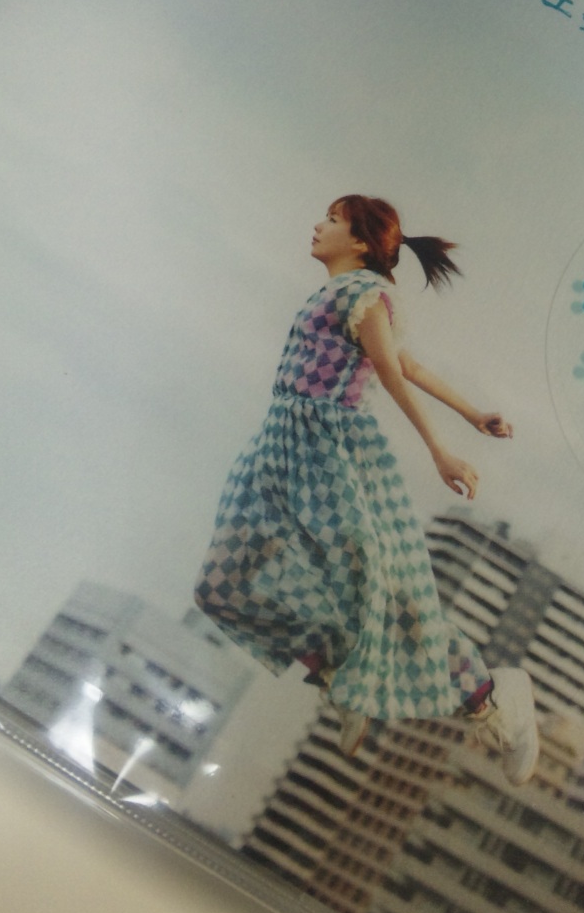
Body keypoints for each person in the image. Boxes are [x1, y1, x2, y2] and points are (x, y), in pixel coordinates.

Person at [194, 195, 538, 784]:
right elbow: (410, 366)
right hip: (279, 449)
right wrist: (473, 412)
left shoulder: (366, 296)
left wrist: (440, 447)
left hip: (331, 456)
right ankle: (336, 668)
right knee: (221, 585)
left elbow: (394, 371)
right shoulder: (337, 295)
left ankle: (490, 699)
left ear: (358, 241)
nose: (317, 224)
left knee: (382, 591)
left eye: (331, 219)